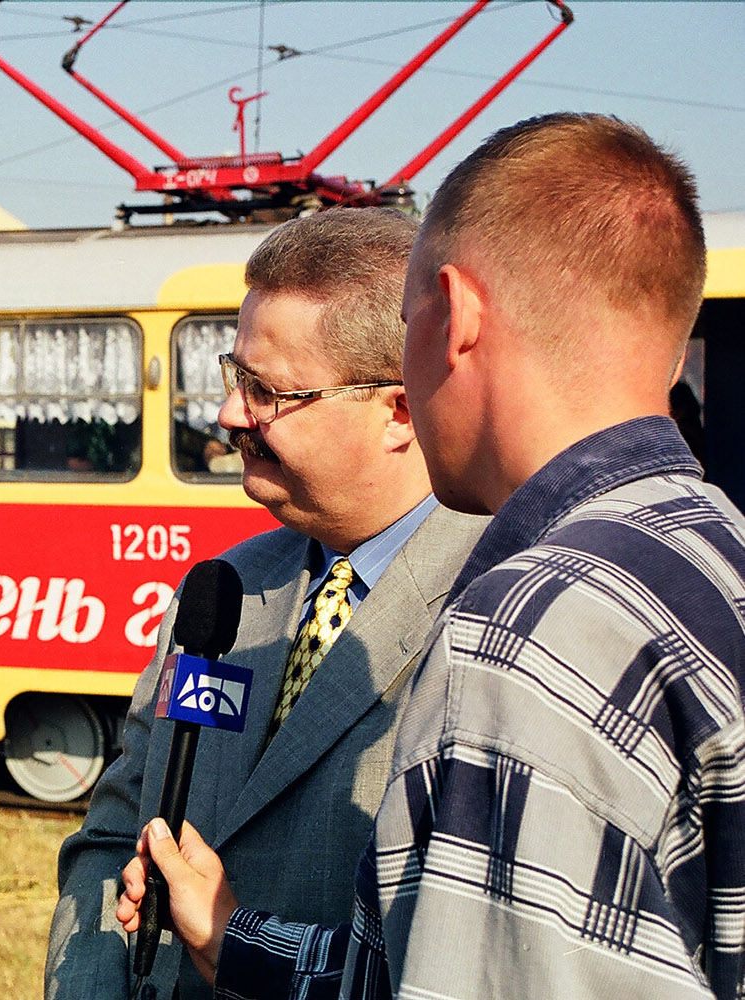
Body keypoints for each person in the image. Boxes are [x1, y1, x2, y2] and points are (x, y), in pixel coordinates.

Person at [120, 113, 745, 1000]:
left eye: (265, 391)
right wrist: (234, 938)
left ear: (451, 318)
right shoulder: (717, 553)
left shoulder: (528, 617)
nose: (232, 416)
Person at [46, 207, 487, 1000]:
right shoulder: (227, 588)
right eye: (231, 375)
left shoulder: (493, 607)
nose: (227, 414)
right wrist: (91, 980)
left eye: (267, 391)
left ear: (399, 411)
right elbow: (113, 830)